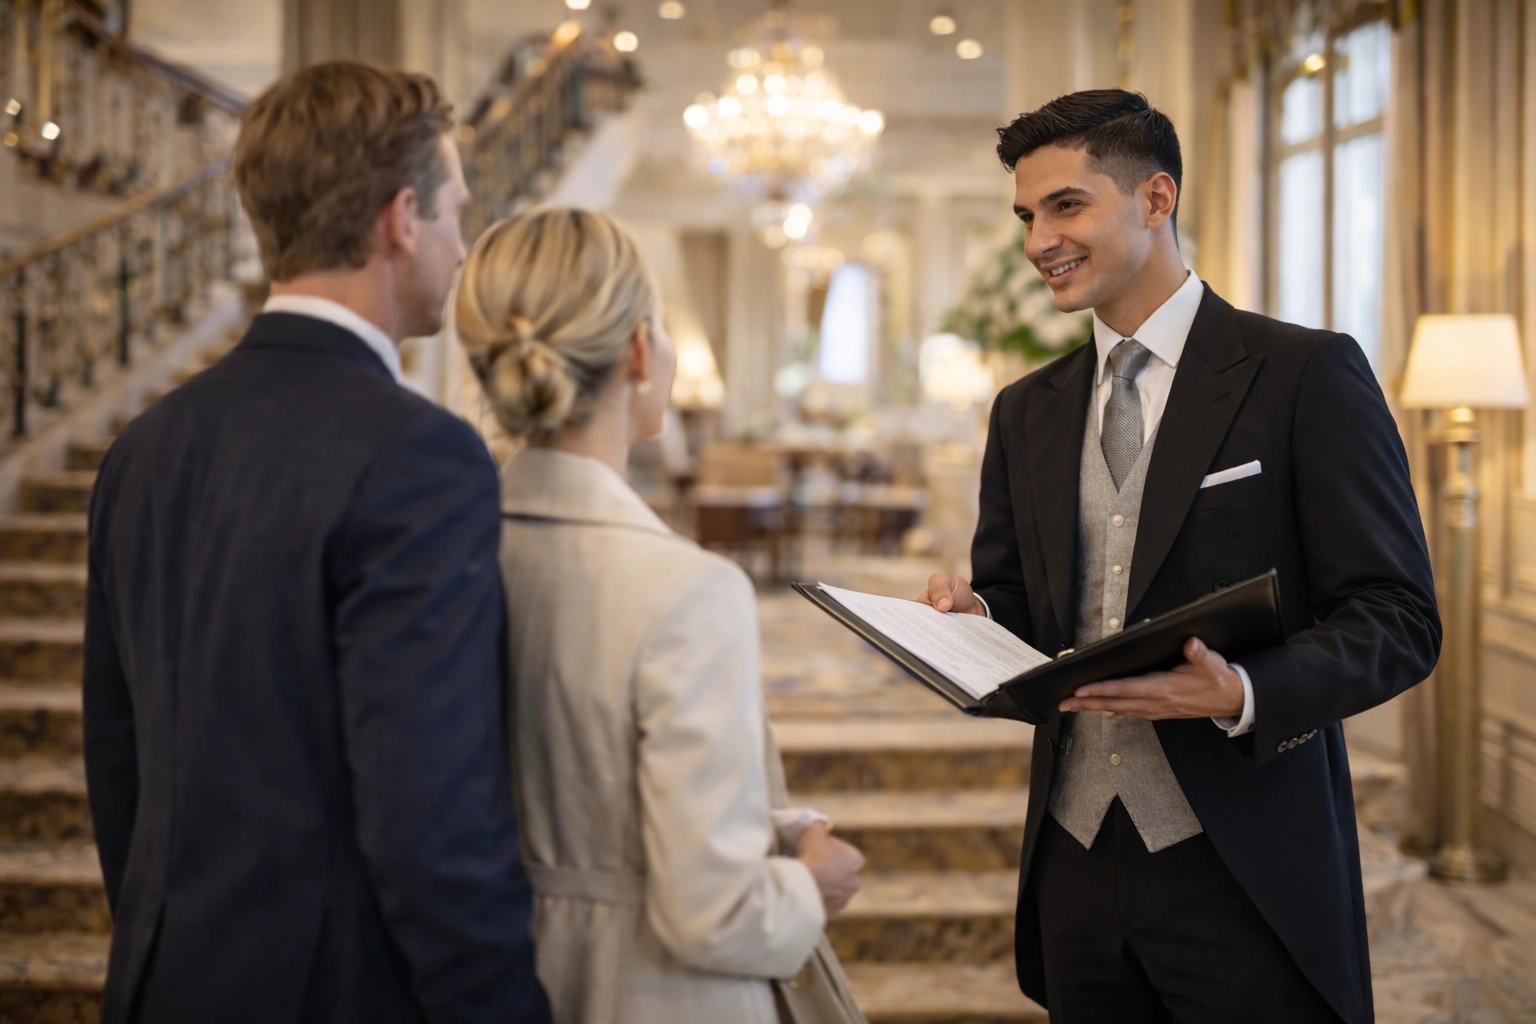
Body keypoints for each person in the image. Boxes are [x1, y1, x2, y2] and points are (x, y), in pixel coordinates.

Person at [920, 90, 1439, 1024]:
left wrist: (1243, 690)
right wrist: (980, 623)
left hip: (1244, 858)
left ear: (1156, 199)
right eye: (1027, 216)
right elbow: (1030, 605)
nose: (1039, 240)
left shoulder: (1305, 374)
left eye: (1066, 206)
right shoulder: (1026, 410)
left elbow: (1397, 616)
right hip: (1073, 860)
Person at [83, 61, 551, 1024]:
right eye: (455, 212)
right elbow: (431, 818)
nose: (464, 248)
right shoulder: (421, 458)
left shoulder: (144, 449)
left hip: (163, 982)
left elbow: (119, 767)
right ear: (399, 218)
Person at [457, 207, 868, 1024]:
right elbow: (713, 913)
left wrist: (762, 824)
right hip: (650, 990)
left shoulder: (444, 556)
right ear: (642, 353)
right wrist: (809, 884)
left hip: (494, 970)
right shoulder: (688, 589)